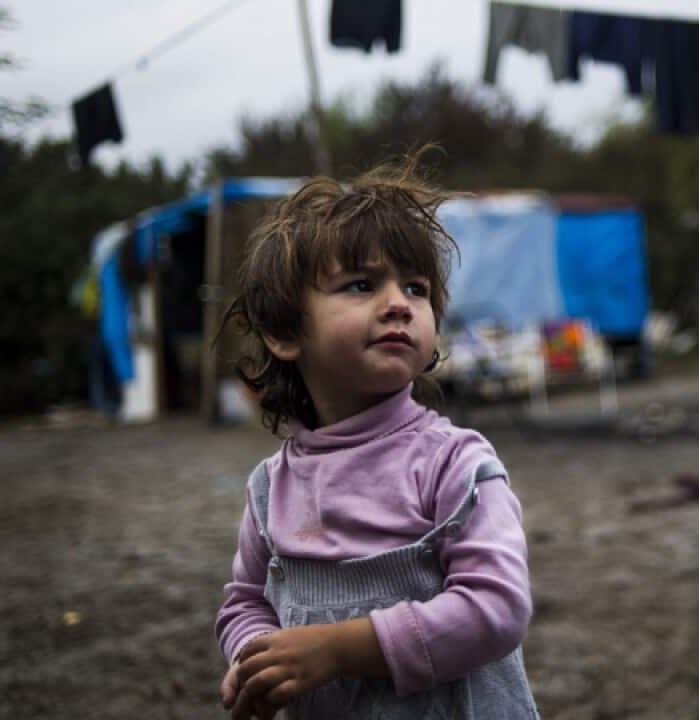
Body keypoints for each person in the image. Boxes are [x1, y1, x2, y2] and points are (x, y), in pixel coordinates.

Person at [214, 153, 537, 720]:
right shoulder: (270, 490)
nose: (397, 304)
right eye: (361, 284)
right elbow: (244, 602)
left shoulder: (454, 463)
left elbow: (497, 607)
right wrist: (255, 659)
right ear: (286, 333)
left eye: (415, 288)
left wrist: (338, 651)